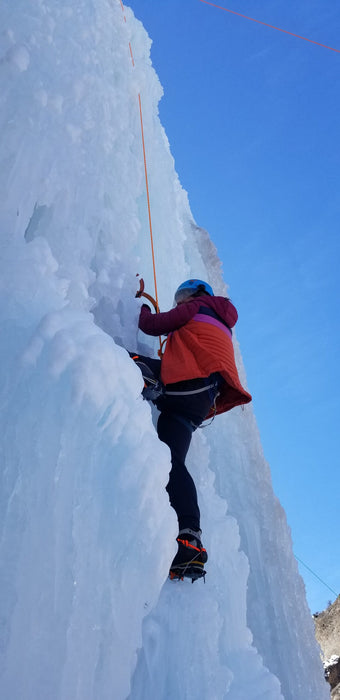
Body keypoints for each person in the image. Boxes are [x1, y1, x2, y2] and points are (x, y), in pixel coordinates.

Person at [131, 279, 252, 581]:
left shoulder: (197, 307)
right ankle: (189, 540)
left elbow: (151, 324)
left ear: (197, 295)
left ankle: (151, 382)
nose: (179, 303)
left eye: (183, 297)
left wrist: (140, 306)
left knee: (121, 360)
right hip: (199, 403)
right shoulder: (222, 322)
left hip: (187, 384)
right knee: (172, 461)